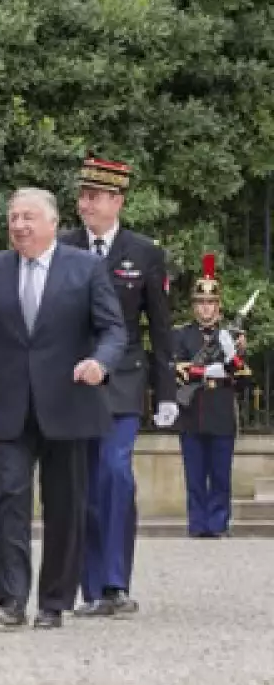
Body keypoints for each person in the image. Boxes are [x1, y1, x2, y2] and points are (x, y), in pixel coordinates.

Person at [0, 187, 126, 629]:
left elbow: (113, 331)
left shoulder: (87, 268)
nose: (19, 226)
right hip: (9, 405)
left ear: (53, 224)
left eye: (29, 217)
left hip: (68, 405)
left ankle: (53, 601)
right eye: (13, 217)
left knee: (64, 504)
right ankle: (10, 599)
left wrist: (100, 364)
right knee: (7, 498)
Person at [60, 155, 176, 618]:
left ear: (117, 200)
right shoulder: (64, 246)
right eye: (82, 195)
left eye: (94, 196)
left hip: (123, 378)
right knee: (81, 481)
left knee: (114, 472)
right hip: (73, 379)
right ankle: (89, 587)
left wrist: (167, 392)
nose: (85, 203)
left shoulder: (144, 252)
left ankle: (114, 582)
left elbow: (161, 328)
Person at [172, 254, 251, 538]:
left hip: (220, 414)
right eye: (201, 303)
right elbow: (178, 370)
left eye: (211, 303)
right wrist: (212, 370)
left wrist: (235, 355)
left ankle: (218, 524)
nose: (206, 309)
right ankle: (197, 524)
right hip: (193, 413)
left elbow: (243, 379)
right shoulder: (181, 336)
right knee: (194, 475)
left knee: (220, 475)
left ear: (219, 307)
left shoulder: (230, 338)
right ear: (194, 306)